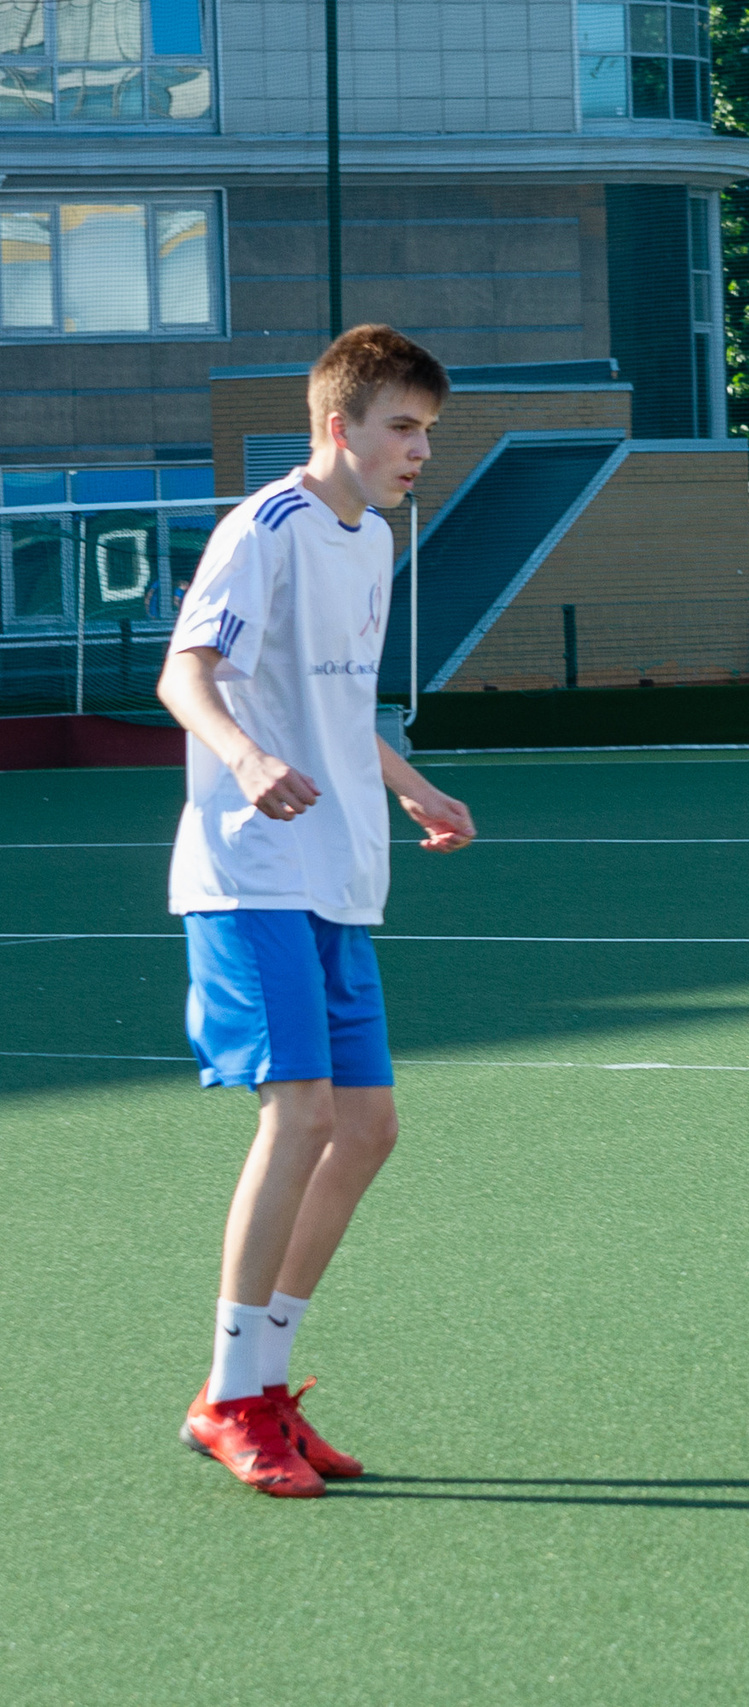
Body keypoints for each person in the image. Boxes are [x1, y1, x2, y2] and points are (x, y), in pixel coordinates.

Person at [158, 325, 478, 1498]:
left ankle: (258, 1385)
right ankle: (231, 1395)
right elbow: (184, 672)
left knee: (368, 1128)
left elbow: (339, 711)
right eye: (403, 428)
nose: (421, 452)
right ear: (338, 427)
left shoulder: (374, 541)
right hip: (250, 872)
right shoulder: (266, 529)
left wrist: (412, 785)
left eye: (428, 432)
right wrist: (244, 760)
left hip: (339, 874)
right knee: (299, 1116)